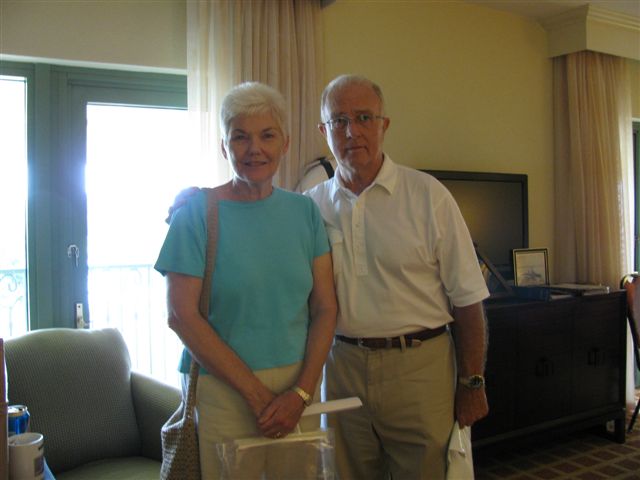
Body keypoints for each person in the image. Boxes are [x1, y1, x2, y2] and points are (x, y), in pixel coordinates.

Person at [304, 74, 490, 479]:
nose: (351, 131)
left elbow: (468, 300)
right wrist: (199, 203)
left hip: (420, 370)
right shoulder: (309, 208)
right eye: (339, 120)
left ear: (384, 125)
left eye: (364, 117)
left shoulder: (428, 196)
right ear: (323, 131)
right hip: (342, 368)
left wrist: (472, 382)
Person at [155, 82, 337, 479]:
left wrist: (301, 392)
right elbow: (181, 316)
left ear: (285, 143)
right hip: (223, 391)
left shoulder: (305, 213)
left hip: (297, 388)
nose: (255, 148)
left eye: (267, 135)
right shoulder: (195, 213)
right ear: (224, 147)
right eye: (240, 137)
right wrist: (257, 397)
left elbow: (325, 308)